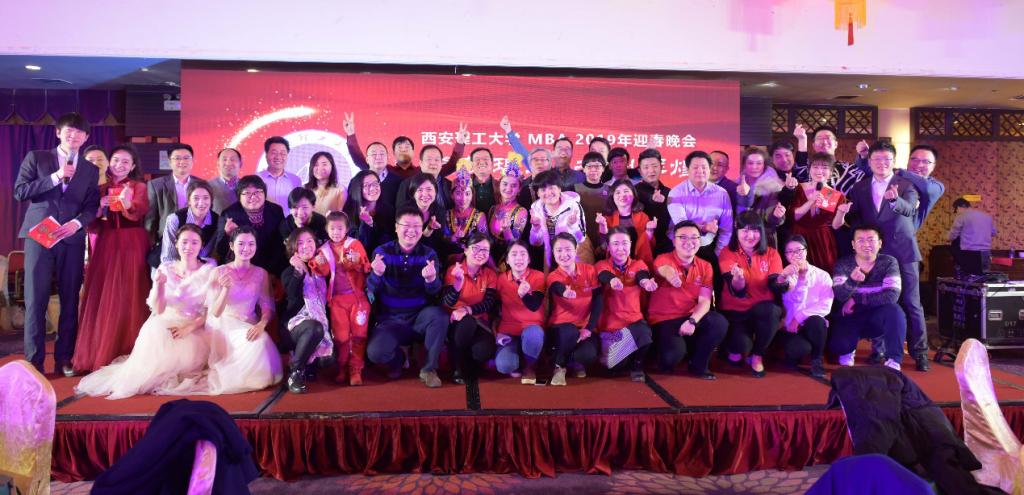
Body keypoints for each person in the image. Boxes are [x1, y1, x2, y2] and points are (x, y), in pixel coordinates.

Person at [75, 225, 216, 399]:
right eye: (184, 242)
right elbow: (158, 309)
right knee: (154, 334)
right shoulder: (166, 268)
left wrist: (189, 327)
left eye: (194, 242)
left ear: (201, 245)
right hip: (167, 321)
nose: (189, 247)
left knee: (188, 358)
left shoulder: (209, 271)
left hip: (195, 324)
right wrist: (160, 285)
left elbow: (212, 310)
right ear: (176, 244)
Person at [14, 112, 100, 376]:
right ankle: (34, 361)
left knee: (70, 299)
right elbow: (20, 191)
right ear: (58, 132)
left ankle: (64, 358)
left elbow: (92, 205)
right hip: (39, 236)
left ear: (86, 137)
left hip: (70, 238)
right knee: (35, 299)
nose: (74, 136)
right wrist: (55, 176)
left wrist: (77, 223)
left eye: (79, 132)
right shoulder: (37, 158)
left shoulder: (90, 169)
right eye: (69, 131)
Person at [833, 141, 928, 371]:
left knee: (911, 302)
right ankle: (879, 350)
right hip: (872, 253)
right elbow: (854, 217)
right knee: (878, 297)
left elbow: (910, 209)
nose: (881, 163)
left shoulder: (906, 185)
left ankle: (920, 352)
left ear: (893, 161)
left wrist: (895, 200)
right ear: (870, 161)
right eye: (876, 159)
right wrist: (840, 215)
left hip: (903, 251)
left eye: (887, 159)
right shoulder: (861, 187)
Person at [73, 144, 152, 372]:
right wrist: (99, 207)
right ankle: (101, 351)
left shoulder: (138, 186)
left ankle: (131, 350)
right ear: (109, 163)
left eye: (126, 162)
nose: (120, 165)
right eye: (116, 160)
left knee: (131, 293)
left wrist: (127, 202)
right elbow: (91, 223)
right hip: (107, 243)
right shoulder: (99, 188)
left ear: (133, 166)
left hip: (132, 242)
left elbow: (140, 210)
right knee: (105, 293)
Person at [365, 207, 449, 388]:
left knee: (439, 316)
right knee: (375, 353)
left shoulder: (428, 254)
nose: (411, 230)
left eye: (417, 226)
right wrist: (376, 274)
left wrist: (431, 279)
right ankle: (399, 359)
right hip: (391, 320)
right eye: (406, 225)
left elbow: (435, 292)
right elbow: (370, 290)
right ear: (396, 227)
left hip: (419, 318)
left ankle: (428, 369)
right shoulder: (382, 252)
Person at [205, 226, 284, 394]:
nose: (246, 248)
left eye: (251, 244)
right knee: (256, 344)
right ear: (232, 246)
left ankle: (247, 376)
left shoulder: (261, 273)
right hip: (224, 324)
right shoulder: (218, 272)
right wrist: (225, 289)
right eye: (241, 244)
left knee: (260, 339)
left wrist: (262, 324)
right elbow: (215, 313)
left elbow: (267, 305)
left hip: (250, 323)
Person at [648, 221, 728, 379]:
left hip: (690, 317)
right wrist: (670, 275)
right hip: (665, 319)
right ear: (674, 241)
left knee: (719, 322)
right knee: (670, 359)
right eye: (683, 237)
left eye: (694, 237)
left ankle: (698, 364)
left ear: (700, 240)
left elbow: (705, 301)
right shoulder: (663, 258)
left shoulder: (705, 266)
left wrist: (692, 321)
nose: (689, 242)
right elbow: (663, 268)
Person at [828, 225, 907, 371]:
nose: (866, 244)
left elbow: (892, 295)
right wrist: (852, 281)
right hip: (851, 315)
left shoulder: (889, 262)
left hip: (876, 315)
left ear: (880, 243)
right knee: (838, 346)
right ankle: (848, 349)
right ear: (853, 244)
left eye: (871, 240)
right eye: (861, 240)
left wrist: (857, 299)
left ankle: (893, 359)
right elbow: (840, 295)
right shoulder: (843, 264)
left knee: (895, 312)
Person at [584, 227, 657, 382]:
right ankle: (625, 357)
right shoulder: (601, 265)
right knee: (612, 366)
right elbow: (603, 275)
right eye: (615, 244)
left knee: (643, 331)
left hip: (633, 324)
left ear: (630, 244)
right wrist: (612, 280)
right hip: (611, 329)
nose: (621, 248)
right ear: (609, 247)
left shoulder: (639, 264)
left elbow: (642, 275)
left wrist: (645, 282)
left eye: (625, 243)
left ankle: (637, 366)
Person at [718, 211, 785, 377]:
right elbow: (737, 290)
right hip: (736, 310)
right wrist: (738, 278)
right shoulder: (727, 252)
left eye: (755, 230)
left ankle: (757, 355)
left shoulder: (771, 253)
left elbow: (775, 285)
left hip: (762, 309)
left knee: (772, 310)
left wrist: (784, 280)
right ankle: (737, 348)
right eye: (745, 230)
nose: (750, 236)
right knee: (739, 348)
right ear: (737, 231)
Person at [309, 212, 371, 386]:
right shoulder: (323, 249)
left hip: (358, 298)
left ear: (347, 229)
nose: (336, 232)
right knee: (341, 337)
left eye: (340, 228)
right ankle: (342, 366)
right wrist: (318, 262)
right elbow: (322, 272)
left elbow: (364, 266)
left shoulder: (355, 244)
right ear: (326, 229)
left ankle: (356, 369)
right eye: (332, 228)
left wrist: (354, 261)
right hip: (336, 300)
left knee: (359, 335)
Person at [667, 150, 734, 297]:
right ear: (687, 169)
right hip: (680, 247)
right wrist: (704, 227)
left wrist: (718, 253)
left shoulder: (722, 194)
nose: (700, 171)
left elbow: (726, 229)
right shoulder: (675, 193)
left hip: (709, 247)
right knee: (682, 293)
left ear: (709, 169)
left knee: (716, 286)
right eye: (695, 167)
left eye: (704, 167)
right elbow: (682, 226)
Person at [279, 228, 333, 394]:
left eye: (309, 241)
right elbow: (292, 296)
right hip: (294, 327)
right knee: (314, 328)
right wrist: (299, 271)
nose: (306, 246)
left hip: (320, 325)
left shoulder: (322, 270)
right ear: (293, 247)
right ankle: (295, 372)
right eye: (300, 243)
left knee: (330, 361)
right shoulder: (289, 271)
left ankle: (309, 363)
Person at [545, 233, 603, 386]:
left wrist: (589, 328)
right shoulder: (553, 276)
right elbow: (556, 286)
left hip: (584, 327)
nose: (564, 254)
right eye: (559, 250)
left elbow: (598, 300)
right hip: (561, 327)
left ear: (576, 249)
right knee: (570, 332)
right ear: (553, 253)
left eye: (568, 249)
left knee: (588, 355)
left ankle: (574, 359)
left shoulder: (589, 271)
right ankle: (559, 366)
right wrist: (565, 292)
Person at [442, 233, 498, 384]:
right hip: (456, 323)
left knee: (484, 350)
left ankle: (470, 365)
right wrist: (458, 283)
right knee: (466, 323)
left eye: (485, 250)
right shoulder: (454, 270)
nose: (480, 253)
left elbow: (488, 303)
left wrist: (467, 310)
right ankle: (457, 367)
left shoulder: (490, 274)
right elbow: (448, 302)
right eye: (476, 248)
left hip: (479, 322)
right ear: (466, 250)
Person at [777, 235, 833, 378]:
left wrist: (799, 317)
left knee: (817, 321)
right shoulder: (784, 276)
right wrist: (801, 279)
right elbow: (793, 301)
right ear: (785, 255)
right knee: (797, 350)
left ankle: (817, 360)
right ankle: (795, 352)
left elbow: (825, 306)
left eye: (799, 250)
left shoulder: (822, 275)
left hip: (811, 324)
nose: (795, 255)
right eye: (790, 252)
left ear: (806, 251)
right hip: (790, 326)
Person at [494, 241, 546, 383]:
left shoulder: (538, 276)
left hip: (532, 329)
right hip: (508, 331)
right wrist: (496, 333)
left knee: (533, 334)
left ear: (529, 259)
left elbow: (534, 305)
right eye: (514, 254)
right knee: (504, 366)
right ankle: (517, 358)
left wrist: (524, 295)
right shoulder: (501, 279)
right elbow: (494, 307)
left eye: (523, 254)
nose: (519, 258)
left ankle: (530, 366)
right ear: (507, 260)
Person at [215, 175, 287, 275]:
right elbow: (220, 250)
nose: (253, 197)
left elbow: (280, 244)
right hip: (241, 270)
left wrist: (270, 272)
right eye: (247, 193)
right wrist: (227, 234)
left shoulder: (276, 210)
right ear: (239, 196)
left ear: (264, 193)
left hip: (274, 268)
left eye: (257, 192)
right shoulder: (229, 214)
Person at [787, 152, 844, 272]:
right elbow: (794, 217)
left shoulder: (833, 194)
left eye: (824, 167)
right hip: (799, 236)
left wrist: (841, 212)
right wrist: (811, 201)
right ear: (809, 169)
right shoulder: (798, 188)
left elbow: (836, 225)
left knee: (824, 271)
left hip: (822, 239)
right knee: (797, 271)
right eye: (815, 166)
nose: (819, 171)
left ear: (831, 172)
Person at [528, 169, 586, 271]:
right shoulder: (536, 209)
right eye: (543, 190)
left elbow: (581, 238)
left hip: (574, 254)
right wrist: (536, 228)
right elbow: (535, 242)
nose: (548, 193)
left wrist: (572, 225)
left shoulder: (573, 205)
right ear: (538, 193)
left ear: (559, 189)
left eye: (552, 188)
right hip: (550, 255)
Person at [596, 179, 656, 267]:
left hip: (640, 263)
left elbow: (649, 246)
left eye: (626, 191)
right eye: (618, 192)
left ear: (634, 195)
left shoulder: (643, 217)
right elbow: (603, 248)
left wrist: (649, 231)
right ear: (612, 197)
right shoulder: (607, 219)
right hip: (614, 265)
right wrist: (603, 227)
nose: (622, 195)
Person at [145, 143, 198, 242]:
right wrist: (152, 243)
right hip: (166, 238)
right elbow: (150, 219)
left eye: (186, 158)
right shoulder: (156, 185)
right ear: (169, 162)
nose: (182, 161)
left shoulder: (201, 184)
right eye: (177, 158)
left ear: (192, 161)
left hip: (195, 238)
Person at [735, 148, 786, 248]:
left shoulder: (772, 187)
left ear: (764, 165)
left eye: (759, 163)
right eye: (750, 163)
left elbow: (772, 219)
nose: (754, 167)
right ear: (744, 164)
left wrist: (776, 215)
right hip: (741, 237)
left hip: (764, 240)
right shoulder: (737, 184)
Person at [159, 180, 218, 265]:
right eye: (196, 198)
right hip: (172, 263)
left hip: (198, 265)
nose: (201, 203)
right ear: (189, 201)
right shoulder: (174, 219)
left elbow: (205, 254)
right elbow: (168, 256)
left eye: (206, 198)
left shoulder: (217, 220)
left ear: (211, 200)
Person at [342, 170, 395, 255]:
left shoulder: (389, 210)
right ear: (358, 188)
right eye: (366, 185)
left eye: (375, 183)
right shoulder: (349, 213)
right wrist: (366, 224)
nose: (372, 188)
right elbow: (356, 248)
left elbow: (391, 242)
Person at [408, 173, 458, 261]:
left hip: (433, 258)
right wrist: (428, 230)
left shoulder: (440, 211)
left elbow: (439, 244)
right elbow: (408, 243)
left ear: (435, 192)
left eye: (429, 189)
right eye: (420, 190)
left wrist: (452, 239)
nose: (425, 194)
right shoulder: (405, 212)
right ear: (413, 193)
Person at [634, 148, 673, 256]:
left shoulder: (670, 193)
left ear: (661, 167)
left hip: (665, 247)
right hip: (638, 246)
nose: (651, 170)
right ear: (640, 171)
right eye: (646, 167)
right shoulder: (633, 192)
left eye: (655, 166)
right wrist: (652, 200)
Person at [487, 162, 529, 259]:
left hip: (508, 258)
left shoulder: (521, 211)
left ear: (519, 189)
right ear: (499, 185)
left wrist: (506, 230)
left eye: (513, 186)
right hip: (489, 256)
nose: (508, 189)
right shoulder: (492, 209)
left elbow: (514, 243)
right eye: (505, 184)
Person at [574, 151, 610, 264]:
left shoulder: (611, 190)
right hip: (582, 241)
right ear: (583, 169)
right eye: (589, 166)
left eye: (597, 166)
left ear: (603, 168)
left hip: (605, 240)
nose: (593, 170)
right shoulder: (574, 189)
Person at [949, 198, 997, 277]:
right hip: (986, 252)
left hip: (969, 253)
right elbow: (994, 233)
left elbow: (952, 236)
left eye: (956, 210)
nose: (956, 212)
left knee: (969, 279)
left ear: (959, 207)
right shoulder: (987, 216)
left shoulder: (961, 217)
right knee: (984, 277)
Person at [446, 169, 489, 249]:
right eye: (458, 193)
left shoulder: (479, 216)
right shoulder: (446, 215)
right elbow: (441, 241)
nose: (463, 198)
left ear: (472, 195)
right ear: (452, 195)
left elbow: (485, 242)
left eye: (467, 194)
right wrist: (452, 238)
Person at [257, 136, 303, 208]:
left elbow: (298, 206)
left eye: (283, 153)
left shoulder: (295, 180)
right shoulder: (256, 178)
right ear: (266, 155)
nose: (278, 157)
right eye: (274, 153)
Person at [305, 151, 346, 216]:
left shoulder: (340, 190)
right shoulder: (305, 188)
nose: (320, 168)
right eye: (316, 165)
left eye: (324, 164)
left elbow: (340, 216)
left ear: (332, 166)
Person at [208, 148, 241, 215]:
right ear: (218, 164)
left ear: (240, 163)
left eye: (232, 159)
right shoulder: (207, 186)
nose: (228, 163)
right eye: (224, 159)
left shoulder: (247, 186)